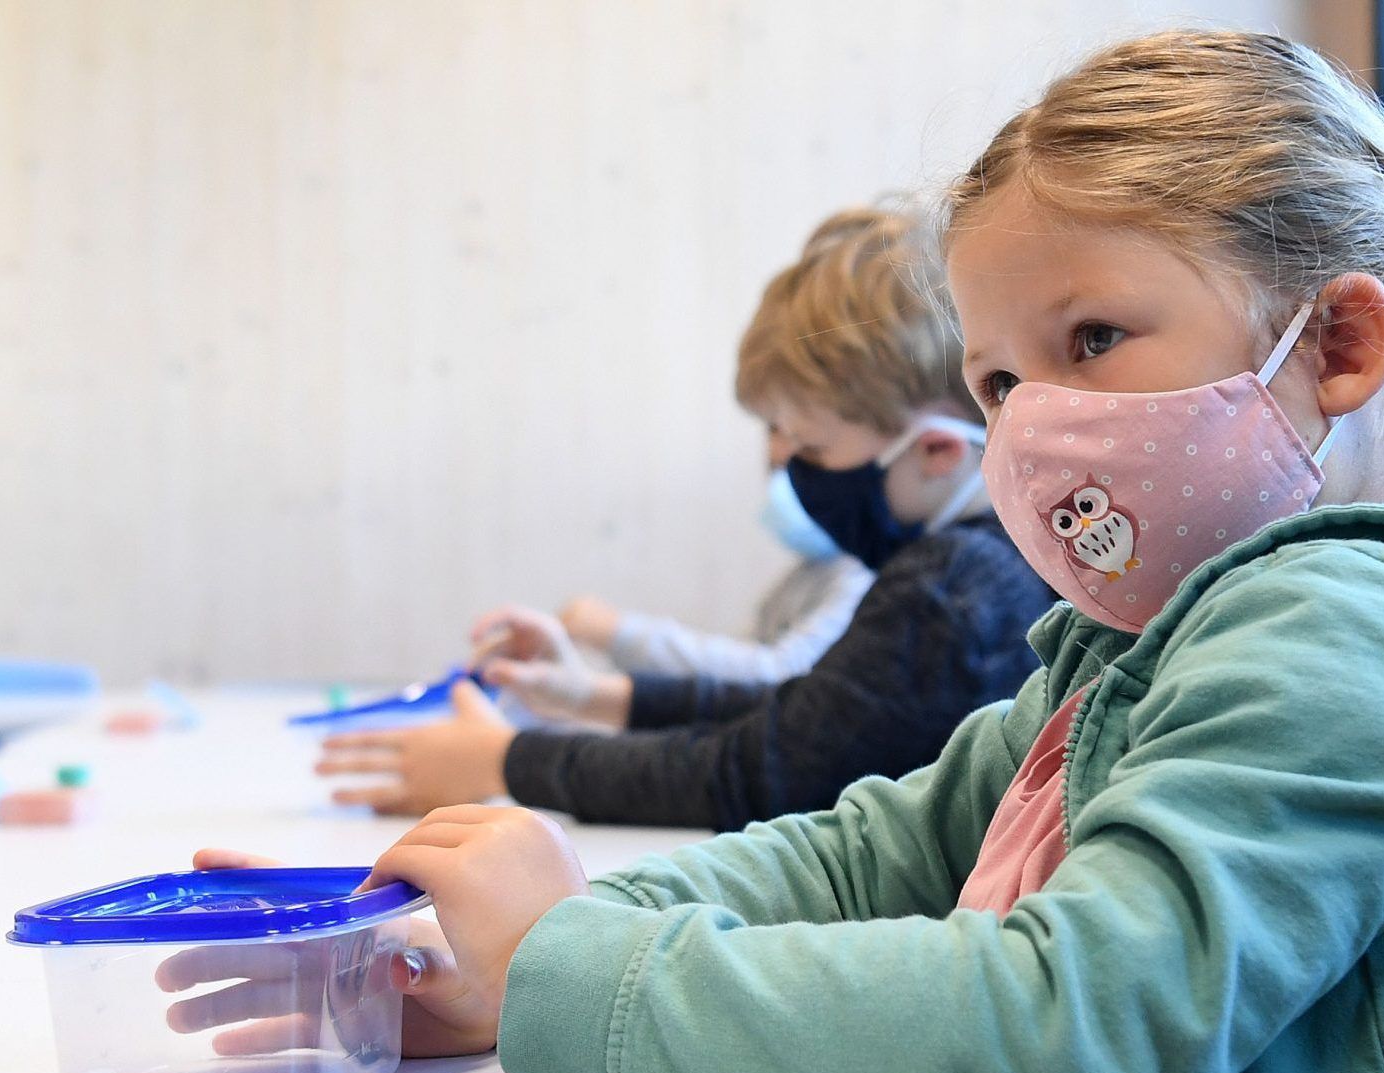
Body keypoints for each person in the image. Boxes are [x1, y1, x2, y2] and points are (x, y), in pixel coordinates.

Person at [185, 31, 1384, 1073]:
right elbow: (871, 853)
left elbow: (1072, 1029)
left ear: (1337, 344)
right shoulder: (1138, 643)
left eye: (1090, 338)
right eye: (999, 381)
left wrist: (566, 966)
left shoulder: (1368, 626)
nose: (1032, 422)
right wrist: (514, 953)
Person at [314, 208, 1054, 831]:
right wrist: (596, 698)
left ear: (935, 450)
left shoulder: (951, 587)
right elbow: (810, 713)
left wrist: (506, 761)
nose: (792, 470)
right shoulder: (982, 564)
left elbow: (755, 773)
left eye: (812, 448)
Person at [550, 466, 875, 686]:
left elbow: (783, 676)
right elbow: (734, 671)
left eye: (808, 456)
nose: (782, 487)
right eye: (775, 469)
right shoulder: (808, 572)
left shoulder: (862, 576)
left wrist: (621, 634)